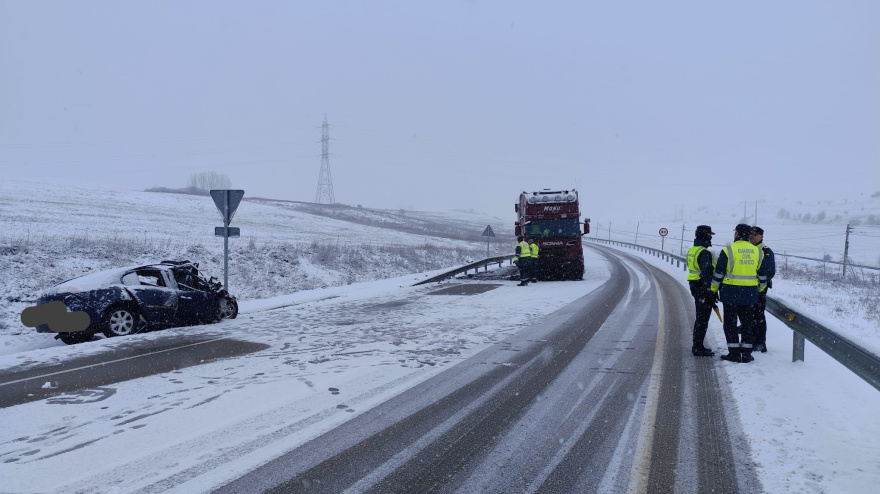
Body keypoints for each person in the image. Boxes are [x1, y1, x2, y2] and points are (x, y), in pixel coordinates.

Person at [710, 224, 768, 363]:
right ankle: (746, 354)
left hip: (730, 293)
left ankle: (734, 353)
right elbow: (763, 276)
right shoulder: (758, 252)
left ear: (737, 234)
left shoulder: (728, 250)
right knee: (747, 324)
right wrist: (759, 290)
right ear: (748, 235)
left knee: (730, 324)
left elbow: (719, 274)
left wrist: (713, 290)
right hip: (750, 294)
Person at [687, 225, 717, 357]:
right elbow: (707, 274)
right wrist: (710, 291)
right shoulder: (704, 252)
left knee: (700, 317)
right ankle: (698, 347)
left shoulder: (693, 249)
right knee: (703, 318)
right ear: (706, 236)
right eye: (710, 235)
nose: (711, 238)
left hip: (695, 285)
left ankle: (697, 345)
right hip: (702, 288)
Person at [749, 226, 775, 352]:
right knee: (749, 315)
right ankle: (750, 340)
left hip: (759, 289)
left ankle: (759, 344)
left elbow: (769, 272)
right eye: (751, 234)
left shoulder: (765, 251)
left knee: (758, 316)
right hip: (749, 288)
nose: (752, 236)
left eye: (755, 234)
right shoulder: (748, 249)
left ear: (761, 236)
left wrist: (760, 289)